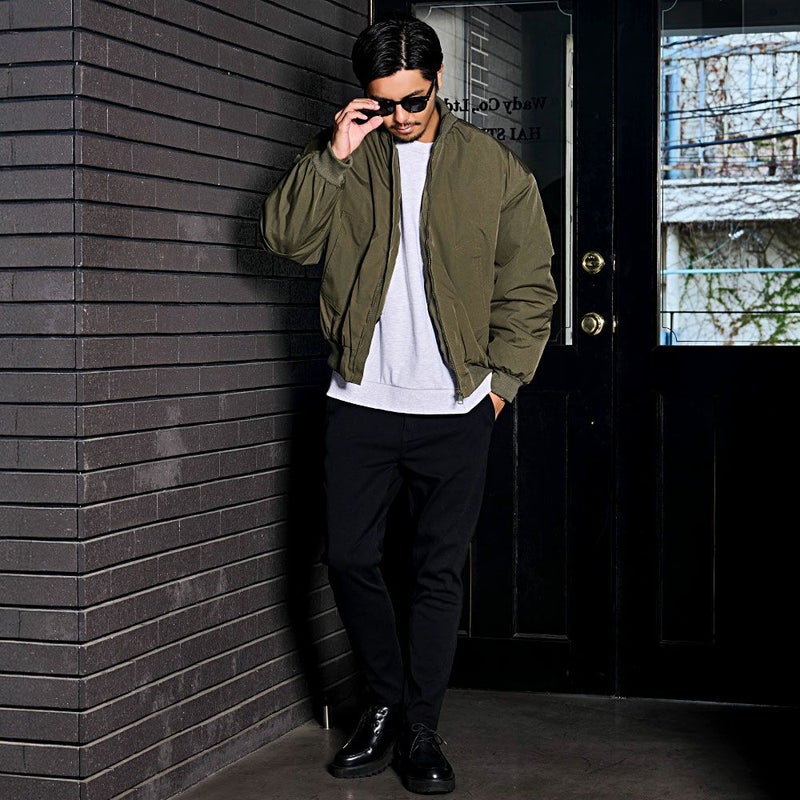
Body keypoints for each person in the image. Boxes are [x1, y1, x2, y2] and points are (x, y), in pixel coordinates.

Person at [259, 12, 556, 795]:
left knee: (435, 574)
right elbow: (286, 241)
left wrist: (500, 388)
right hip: (359, 400)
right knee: (349, 559)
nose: (399, 117)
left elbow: (530, 286)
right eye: (383, 103)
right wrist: (332, 155)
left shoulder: (492, 169)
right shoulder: (344, 154)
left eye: (413, 101)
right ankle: (383, 704)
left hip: (455, 409)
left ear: (439, 83)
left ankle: (422, 725)